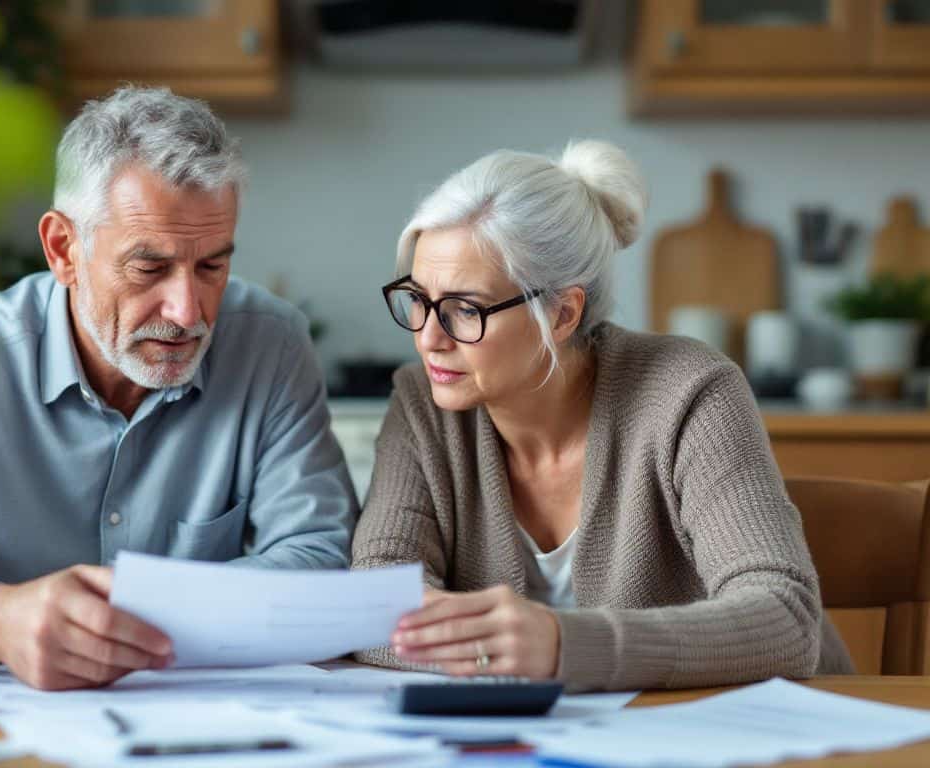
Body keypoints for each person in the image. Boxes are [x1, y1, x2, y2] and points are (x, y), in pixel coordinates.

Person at [0, 86, 357, 691]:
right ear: (62, 250)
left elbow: (322, 560)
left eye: (212, 266)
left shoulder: (272, 346)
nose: (187, 312)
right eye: (148, 268)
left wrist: (149, 618)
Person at [353, 139, 852, 691]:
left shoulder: (690, 393)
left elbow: (785, 619)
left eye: (465, 309)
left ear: (563, 313)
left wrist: (563, 646)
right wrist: (498, 656)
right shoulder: (422, 402)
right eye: (417, 299)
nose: (428, 338)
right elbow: (374, 605)